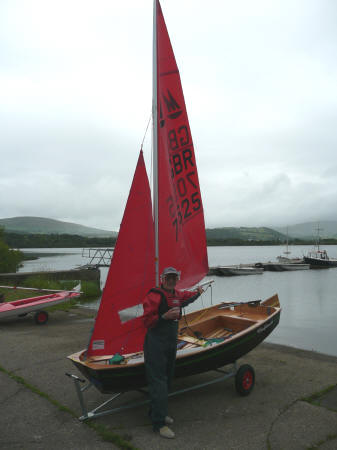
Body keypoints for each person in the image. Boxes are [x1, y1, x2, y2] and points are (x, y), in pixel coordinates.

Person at [142, 267, 203, 439]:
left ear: (177, 279)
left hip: (170, 344)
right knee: (159, 383)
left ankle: (156, 412)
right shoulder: (154, 296)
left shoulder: (176, 294)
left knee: (167, 379)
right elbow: (146, 321)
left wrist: (198, 293)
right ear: (162, 279)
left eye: (174, 278)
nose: (171, 280)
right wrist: (163, 317)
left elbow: (187, 297)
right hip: (155, 344)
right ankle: (158, 424)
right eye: (168, 278)